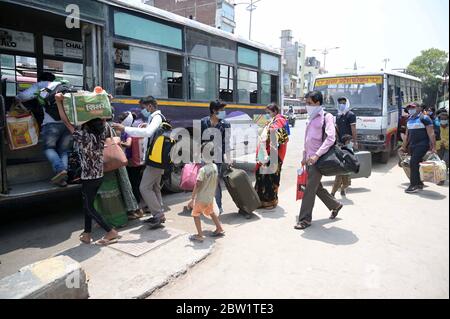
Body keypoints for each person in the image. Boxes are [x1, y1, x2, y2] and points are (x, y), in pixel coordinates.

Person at [55, 93, 120, 246]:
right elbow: (104, 117)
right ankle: (87, 233)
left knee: (89, 207)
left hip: (89, 177)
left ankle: (110, 231)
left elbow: (65, 121)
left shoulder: (83, 136)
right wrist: (106, 101)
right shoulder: (103, 131)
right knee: (88, 205)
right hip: (98, 175)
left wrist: (58, 102)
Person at [113, 96, 165, 228]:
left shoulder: (157, 117)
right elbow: (151, 131)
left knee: (144, 187)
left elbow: (148, 133)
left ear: (150, 106)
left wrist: (124, 129)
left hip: (156, 158)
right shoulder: (154, 118)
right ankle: (158, 214)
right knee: (154, 187)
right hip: (156, 157)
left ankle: (158, 215)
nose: (143, 111)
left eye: (143, 108)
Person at [294, 91, 343, 230]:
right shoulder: (310, 117)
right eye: (306, 102)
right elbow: (307, 139)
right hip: (309, 159)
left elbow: (330, 138)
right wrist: (304, 157)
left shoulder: (327, 117)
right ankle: (335, 205)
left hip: (319, 160)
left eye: (309, 103)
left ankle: (305, 220)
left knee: (309, 189)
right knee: (316, 187)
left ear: (317, 102)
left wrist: (317, 154)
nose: (307, 105)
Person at [16, 72, 72, 187]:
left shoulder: (41, 85)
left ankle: (60, 170)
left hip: (51, 124)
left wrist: (16, 98)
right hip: (68, 123)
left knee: (48, 148)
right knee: (64, 150)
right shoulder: (63, 85)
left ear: (41, 79)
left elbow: (23, 97)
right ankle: (63, 177)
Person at [187, 142, 225, 243]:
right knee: (211, 212)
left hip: (201, 198)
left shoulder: (203, 170)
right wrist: (213, 193)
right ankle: (219, 228)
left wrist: (192, 198)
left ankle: (200, 235)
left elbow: (197, 184)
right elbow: (216, 181)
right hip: (210, 196)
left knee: (195, 214)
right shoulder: (215, 167)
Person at [254, 103, 289, 209]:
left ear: (275, 112)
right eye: (266, 113)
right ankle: (261, 200)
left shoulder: (280, 120)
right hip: (266, 153)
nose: (266, 115)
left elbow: (281, 137)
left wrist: (268, 128)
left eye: (268, 113)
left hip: (274, 154)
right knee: (262, 177)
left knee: (271, 178)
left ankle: (271, 201)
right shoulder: (270, 121)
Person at [200, 100, 231, 216]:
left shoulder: (225, 124)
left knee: (216, 182)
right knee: (204, 181)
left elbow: (227, 143)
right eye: (222, 110)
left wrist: (228, 158)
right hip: (205, 156)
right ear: (214, 110)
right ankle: (205, 205)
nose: (224, 112)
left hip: (218, 156)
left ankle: (218, 206)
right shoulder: (203, 122)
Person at [400, 103, 436, 193]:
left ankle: (413, 185)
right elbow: (407, 135)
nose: (410, 109)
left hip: (422, 145)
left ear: (419, 108)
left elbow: (431, 133)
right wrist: (403, 147)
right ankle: (419, 183)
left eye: (413, 107)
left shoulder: (425, 118)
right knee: (417, 164)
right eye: (409, 108)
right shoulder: (409, 119)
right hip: (412, 146)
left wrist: (434, 147)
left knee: (413, 163)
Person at [436, 111, 449, 185]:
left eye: (445, 119)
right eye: (442, 119)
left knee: (444, 162)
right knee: (440, 163)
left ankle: (441, 180)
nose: (443, 120)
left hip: (448, 148)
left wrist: (445, 143)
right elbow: (435, 138)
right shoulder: (437, 128)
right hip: (439, 148)